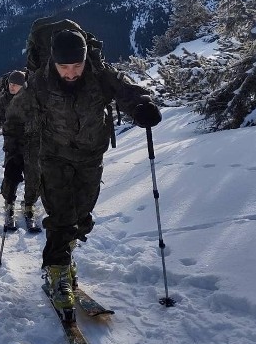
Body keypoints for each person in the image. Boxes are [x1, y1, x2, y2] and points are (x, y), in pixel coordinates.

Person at [13, 25, 161, 321]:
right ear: (53, 62)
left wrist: (143, 106)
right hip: (52, 156)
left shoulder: (99, 74)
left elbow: (128, 91)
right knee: (62, 216)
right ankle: (57, 272)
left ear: (85, 60)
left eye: (77, 65)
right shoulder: (39, 82)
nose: (71, 72)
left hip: (91, 155)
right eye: (64, 66)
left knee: (82, 217)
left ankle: (65, 257)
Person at [0, 70, 40, 231]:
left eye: (15, 85)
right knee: (11, 175)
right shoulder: (4, 100)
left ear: (23, 85)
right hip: (12, 143)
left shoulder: (31, 99)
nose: (12, 87)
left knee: (33, 176)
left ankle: (29, 205)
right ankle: (9, 204)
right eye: (10, 84)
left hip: (32, 143)